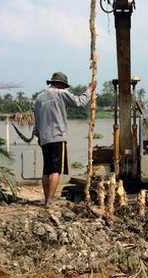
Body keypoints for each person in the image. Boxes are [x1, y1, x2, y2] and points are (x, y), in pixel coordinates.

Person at [34, 71, 96, 207]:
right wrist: (89, 90)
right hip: (57, 137)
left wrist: (37, 135)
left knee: (46, 170)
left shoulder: (39, 98)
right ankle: (50, 201)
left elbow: (37, 120)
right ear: (61, 84)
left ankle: (46, 199)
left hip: (44, 138)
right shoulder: (61, 94)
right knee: (56, 170)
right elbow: (79, 102)